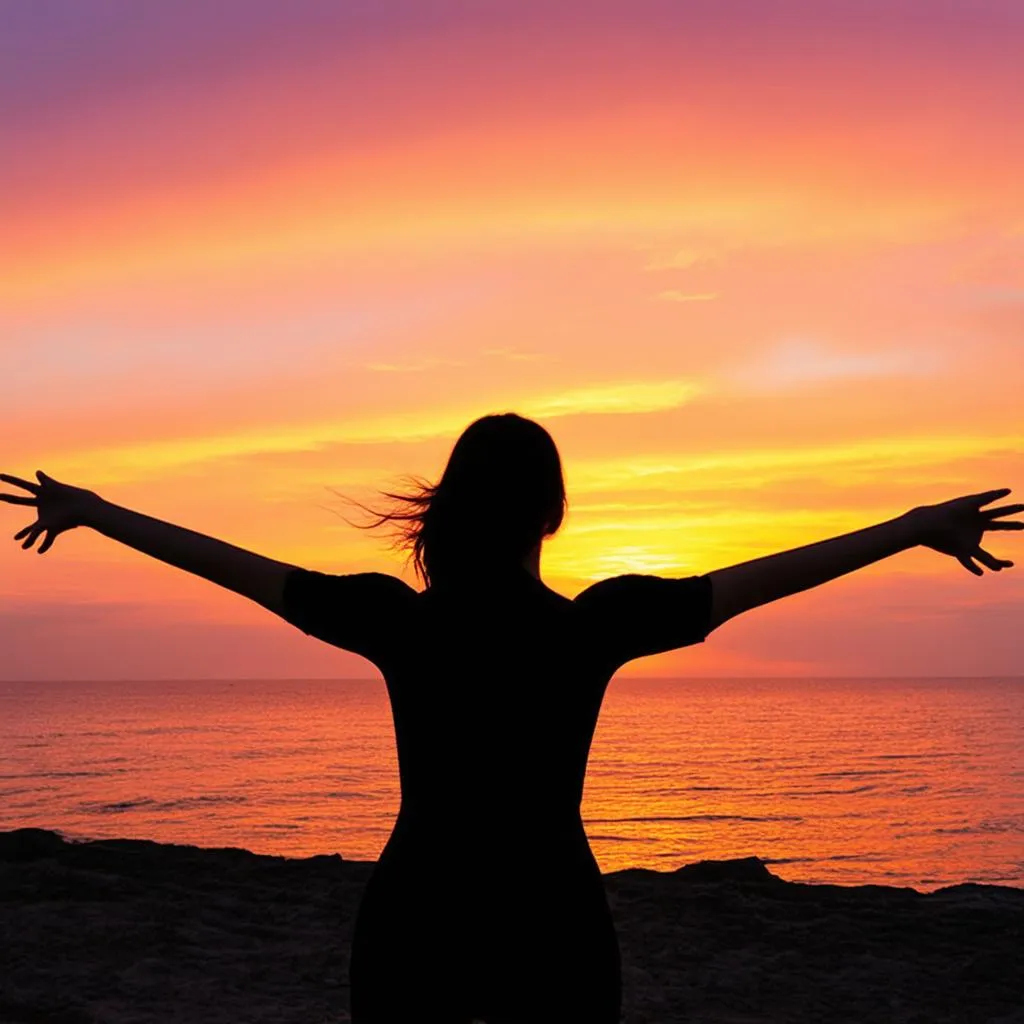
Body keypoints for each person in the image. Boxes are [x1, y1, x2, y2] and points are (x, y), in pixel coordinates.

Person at [1, 413, 1020, 1024]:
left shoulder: (395, 619)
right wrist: (908, 529)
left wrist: (96, 511)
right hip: (550, 913)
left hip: (417, 910)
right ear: (550, 512)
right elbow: (756, 582)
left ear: (451, 506)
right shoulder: (593, 626)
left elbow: (234, 567)